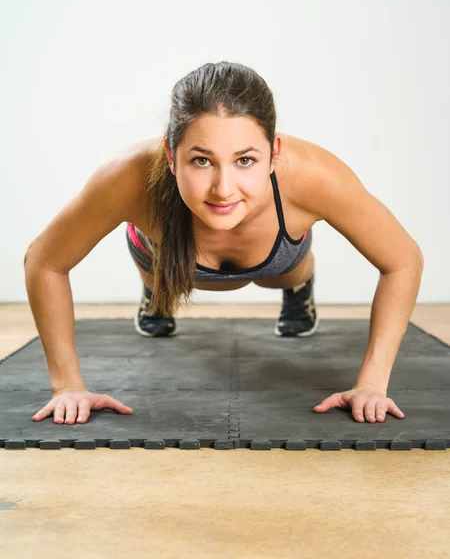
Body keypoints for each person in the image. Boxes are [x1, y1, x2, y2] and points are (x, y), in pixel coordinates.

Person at [25, 61, 422, 426]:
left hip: (277, 262)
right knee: (163, 271)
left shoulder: (314, 177)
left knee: (285, 277)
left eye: (245, 160)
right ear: (170, 153)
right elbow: (45, 262)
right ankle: (157, 292)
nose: (223, 188)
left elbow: (403, 260)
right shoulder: (127, 177)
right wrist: (67, 386)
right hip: (164, 259)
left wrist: (372, 382)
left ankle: (300, 288)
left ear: (273, 154)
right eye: (201, 160)